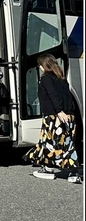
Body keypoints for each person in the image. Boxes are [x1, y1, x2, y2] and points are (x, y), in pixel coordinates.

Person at [24, 53, 80, 182]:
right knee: (68, 144)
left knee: (49, 143)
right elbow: (67, 97)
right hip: (69, 116)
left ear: (44, 66)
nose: (39, 67)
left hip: (54, 117)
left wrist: (59, 111)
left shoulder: (46, 79)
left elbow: (52, 95)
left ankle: (47, 168)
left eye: (40, 65)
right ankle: (73, 173)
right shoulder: (62, 78)